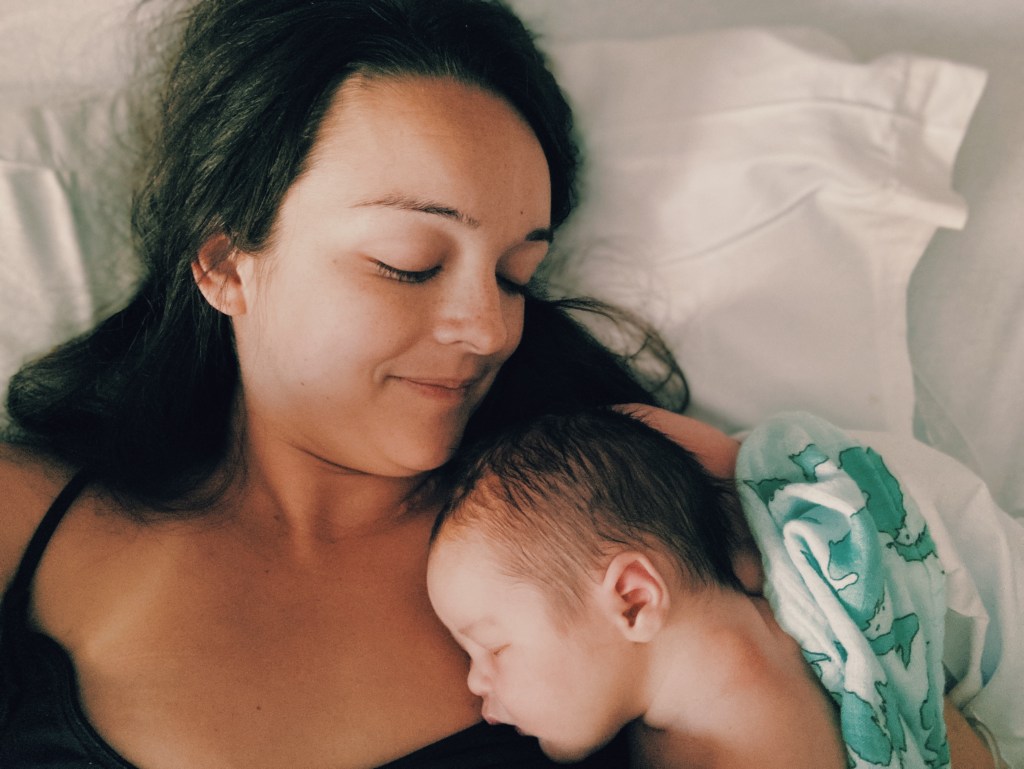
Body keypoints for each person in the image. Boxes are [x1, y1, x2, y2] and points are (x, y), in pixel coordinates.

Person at [0, 1, 698, 767]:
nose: (489, 329)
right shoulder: (24, 517)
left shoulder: (623, 531)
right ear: (226, 263)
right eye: (408, 263)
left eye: (514, 276)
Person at [427, 407, 1005, 769]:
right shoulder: (794, 612)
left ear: (633, 600)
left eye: (494, 647)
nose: (475, 682)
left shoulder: (726, 750)